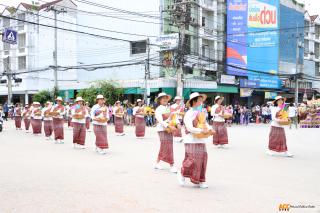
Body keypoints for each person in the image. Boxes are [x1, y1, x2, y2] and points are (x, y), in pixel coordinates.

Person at [178, 92, 212, 189]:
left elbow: (205, 123)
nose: (201, 103)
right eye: (199, 101)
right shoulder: (189, 113)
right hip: (190, 140)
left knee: (203, 160)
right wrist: (201, 130)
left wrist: (209, 129)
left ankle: (201, 180)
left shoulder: (201, 113)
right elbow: (189, 128)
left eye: (202, 100)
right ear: (194, 102)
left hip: (200, 140)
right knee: (192, 160)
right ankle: (182, 174)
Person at [154, 93, 179, 173]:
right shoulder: (158, 109)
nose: (165, 99)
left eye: (166, 98)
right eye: (163, 98)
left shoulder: (168, 108)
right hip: (162, 129)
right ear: (159, 100)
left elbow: (173, 117)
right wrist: (168, 125)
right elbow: (160, 121)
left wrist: (177, 123)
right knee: (167, 146)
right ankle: (172, 165)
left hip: (169, 128)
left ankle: (157, 163)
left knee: (165, 146)